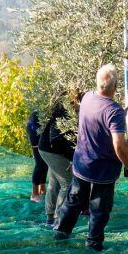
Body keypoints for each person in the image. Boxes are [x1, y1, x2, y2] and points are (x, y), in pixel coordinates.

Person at [54, 64, 128, 250]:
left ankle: (60, 232)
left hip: (82, 163)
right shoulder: (113, 111)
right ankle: (93, 244)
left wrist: (121, 116)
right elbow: (119, 145)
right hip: (103, 170)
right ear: (115, 88)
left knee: (73, 201)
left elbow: (100, 118)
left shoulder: (88, 98)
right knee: (99, 210)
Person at [37, 97, 77, 227]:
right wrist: (71, 157)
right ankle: (59, 219)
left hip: (46, 148)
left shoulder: (61, 105)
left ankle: (50, 218)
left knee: (54, 183)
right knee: (67, 182)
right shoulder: (64, 109)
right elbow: (55, 139)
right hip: (52, 150)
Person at [25, 111, 47, 203]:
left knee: (46, 161)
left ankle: (42, 188)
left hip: (43, 124)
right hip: (34, 127)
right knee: (40, 162)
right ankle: (34, 193)